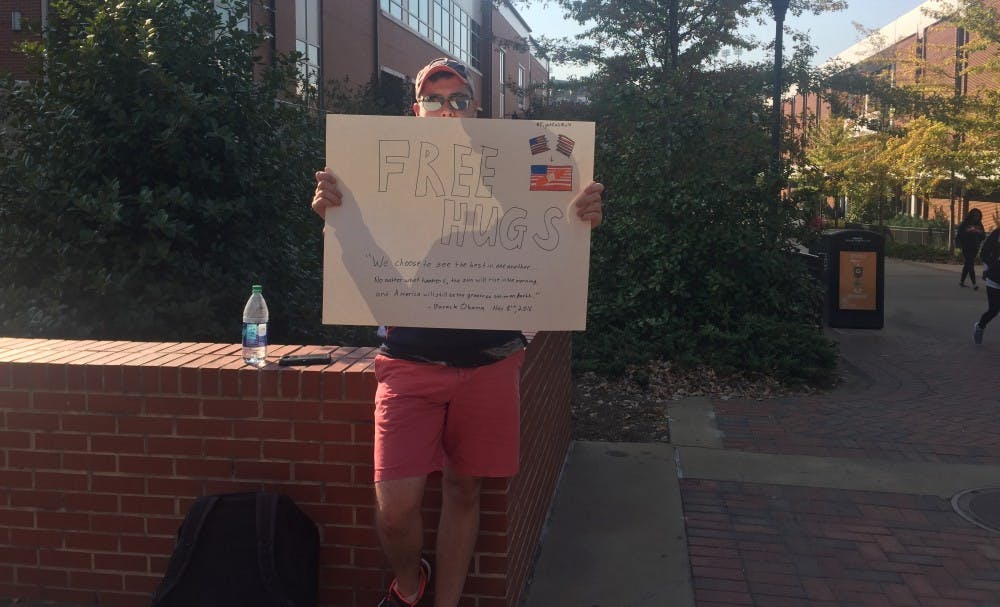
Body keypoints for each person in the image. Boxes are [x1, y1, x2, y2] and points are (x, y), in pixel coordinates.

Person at [310, 57, 604, 607]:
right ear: (415, 108)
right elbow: (362, 263)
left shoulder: (513, 170)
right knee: (395, 506)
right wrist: (335, 217)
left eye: (460, 100)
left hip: (490, 361)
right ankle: (408, 586)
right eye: (435, 100)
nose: (448, 110)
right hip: (408, 361)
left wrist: (578, 221)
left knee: (465, 489)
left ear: (477, 108)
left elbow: (546, 247)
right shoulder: (378, 172)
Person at [974, 226, 1000, 344]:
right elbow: (984, 253)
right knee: (994, 309)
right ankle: (980, 326)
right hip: (994, 279)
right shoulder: (996, 234)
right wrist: (987, 268)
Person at [956, 208, 986, 290]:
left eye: (978, 216)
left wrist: (978, 232)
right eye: (975, 215)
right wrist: (968, 231)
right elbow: (960, 234)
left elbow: (983, 236)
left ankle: (961, 282)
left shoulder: (979, 224)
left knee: (967, 264)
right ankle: (974, 283)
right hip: (966, 246)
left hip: (975, 247)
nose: (976, 217)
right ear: (971, 215)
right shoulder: (965, 223)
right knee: (970, 263)